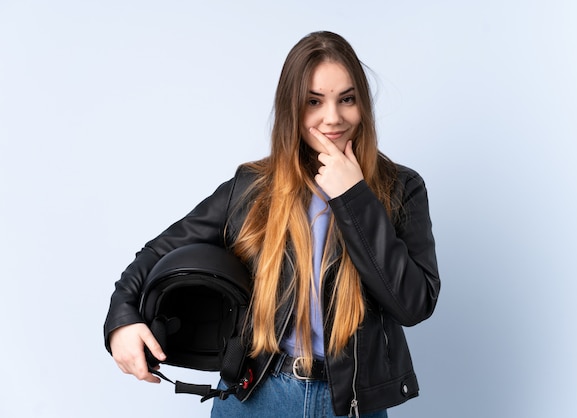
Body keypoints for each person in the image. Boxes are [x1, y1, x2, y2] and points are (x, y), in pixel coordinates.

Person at [104, 30, 440, 418]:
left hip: (347, 403)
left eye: (346, 99)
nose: (333, 117)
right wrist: (122, 319)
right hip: (256, 394)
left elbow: (414, 304)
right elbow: (158, 252)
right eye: (314, 101)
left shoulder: (401, 188)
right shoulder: (253, 187)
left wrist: (354, 198)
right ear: (291, 108)